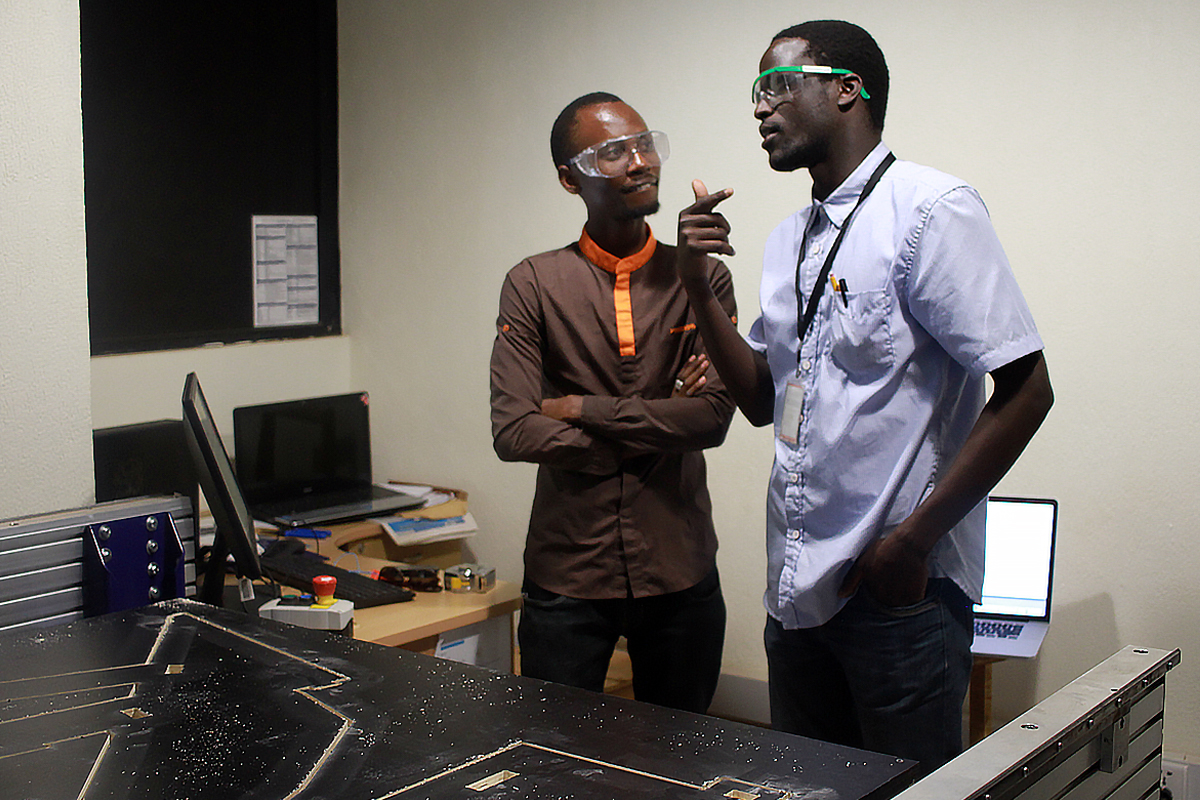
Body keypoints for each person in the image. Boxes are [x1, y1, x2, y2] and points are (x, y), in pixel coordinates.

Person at [674, 21, 1053, 771]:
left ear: (848, 89)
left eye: (778, 85)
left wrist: (912, 542)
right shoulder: (788, 240)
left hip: (896, 596)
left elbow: (1027, 388)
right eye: (755, 92)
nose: (760, 107)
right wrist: (694, 285)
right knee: (807, 787)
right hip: (796, 592)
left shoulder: (931, 210)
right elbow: (761, 400)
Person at [490, 92, 737, 713]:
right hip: (569, 570)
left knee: (680, 753)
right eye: (613, 152)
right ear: (570, 179)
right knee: (554, 751)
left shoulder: (701, 277)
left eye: (644, 144)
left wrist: (580, 408)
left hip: (679, 564)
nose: (639, 161)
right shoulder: (534, 283)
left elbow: (711, 419)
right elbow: (514, 430)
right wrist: (661, 422)